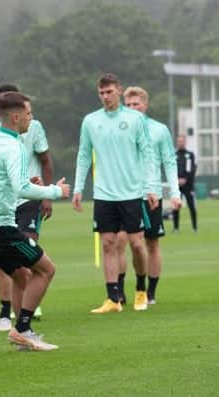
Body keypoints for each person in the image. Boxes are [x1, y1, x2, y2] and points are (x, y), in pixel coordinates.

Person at [0, 91, 70, 351]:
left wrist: (27, 182)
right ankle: (23, 329)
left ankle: (22, 335)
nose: (31, 118)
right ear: (16, 117)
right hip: (0, 229)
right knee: (46, 269)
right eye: (28, 113)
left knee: (21, 275)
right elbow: (22, 189)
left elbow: (8, 180)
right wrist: (54, 191)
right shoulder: (15, 145)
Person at [72, 73, 156, 314]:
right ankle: (113, 298)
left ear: (119, 90)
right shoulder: (90, 121)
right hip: (104, 194)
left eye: (109, 91)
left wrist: (150, 186)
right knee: (108, 244)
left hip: (132, 192)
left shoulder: (135, 119)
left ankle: (141, 290)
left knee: (137, 244)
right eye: (101, 93)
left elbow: (147, 153)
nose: (105, 96)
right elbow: (84, 155)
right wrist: (78, 188)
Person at [0, 83, 54, 331]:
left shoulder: (33, 128)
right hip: (4, 207)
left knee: (30, 255)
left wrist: (47, 196)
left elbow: (46, 160)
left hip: (30, 200)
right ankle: (12, 317)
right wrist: (53, 190)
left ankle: (25, 314)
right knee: (11, 265)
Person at [122, 86, 181, 304]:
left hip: (151, 194)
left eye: (136, 104)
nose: (132, 108)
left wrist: (175, 193)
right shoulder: (120, 129)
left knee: (151, 243)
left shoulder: (159, 130)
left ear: (145, 105)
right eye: (128, 105)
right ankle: (120, 290)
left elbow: (169, 162)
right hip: (124, 193)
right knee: (125, 241)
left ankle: (151, 292)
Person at [173, 134, 197, 232]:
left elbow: (192, 168)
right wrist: (177, 179)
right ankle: (176, 228)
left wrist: (185, 179)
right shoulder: (173, 155)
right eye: (179, 141)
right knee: (176, 206)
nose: (181, 143)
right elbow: (171, 168)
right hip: (176, 185)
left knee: (192, 206)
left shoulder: (190, 154)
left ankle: (194, 228)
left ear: (185, 142)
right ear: (177, 142)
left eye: (182, 141)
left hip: (188, 185)